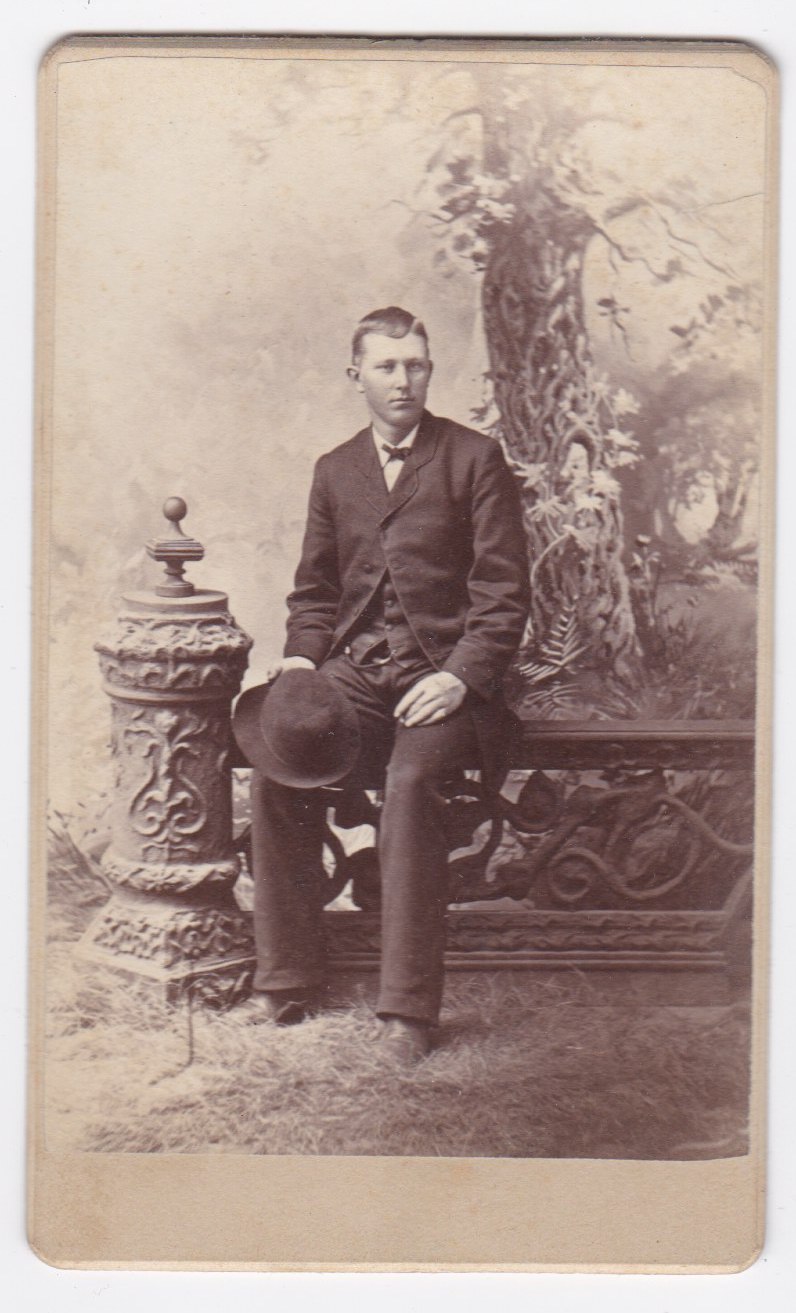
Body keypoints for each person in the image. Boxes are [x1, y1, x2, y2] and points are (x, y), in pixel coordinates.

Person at [237, 306, 529, 1061]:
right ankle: (287, 977)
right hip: (357, 673)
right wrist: (302, 662)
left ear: (429, 372)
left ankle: (407, 1008)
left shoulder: (473, 458)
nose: (403, 380)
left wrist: (460, 678)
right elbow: (315, 594)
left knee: (411, 784)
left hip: (445, 679)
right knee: (278, 768)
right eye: (387, 366)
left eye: (416, 365)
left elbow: (504, 597)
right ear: (356, 375)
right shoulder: (335, 469)